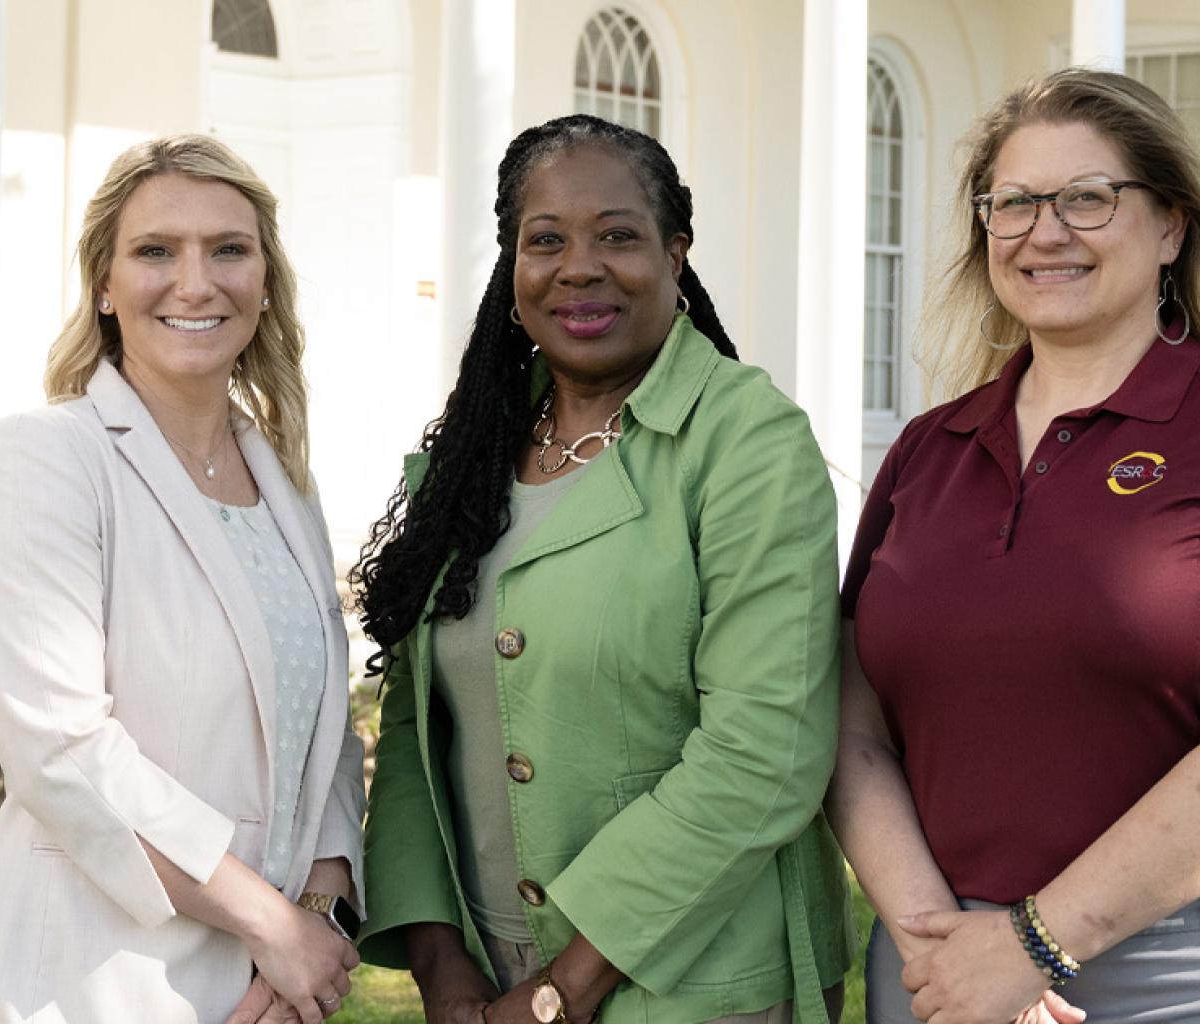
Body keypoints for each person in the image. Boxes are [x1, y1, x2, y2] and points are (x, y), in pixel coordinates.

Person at [829, 70, 1200, 1024]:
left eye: (1087, 198)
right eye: (1013, 204)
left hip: (1195, 971)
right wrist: (939, 949)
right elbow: (852, 729)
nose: (1044, 232)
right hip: (937, 965)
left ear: (1172, 226)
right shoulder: (927, 449)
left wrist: (1030, 946)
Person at [351, 114, 852, 1024]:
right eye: (545, 241)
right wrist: (439, 961)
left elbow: (765, 750)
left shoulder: (747, 443)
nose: (579, 268)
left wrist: (562, 989)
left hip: (698, 985)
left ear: (675, 254)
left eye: (617, 236)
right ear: (513, 268)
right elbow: (421, 725)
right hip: (488, 973)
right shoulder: (476, 453)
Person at [0, 134, 365, 1024]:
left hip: (264, 987)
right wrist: (269, 920)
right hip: (86, 977)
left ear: (265, 281)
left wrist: (316, 923)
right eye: (156, 251)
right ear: (104, 283)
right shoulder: (47, 460)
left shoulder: (284, 479)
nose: (195, 283)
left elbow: (324, 739)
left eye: (228, 250)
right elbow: (63, 752)